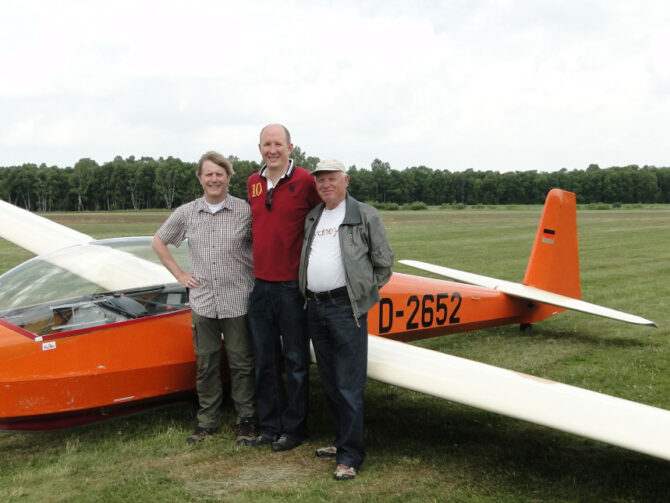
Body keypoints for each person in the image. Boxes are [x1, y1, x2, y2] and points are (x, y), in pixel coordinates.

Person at [152, 151, 257, 446]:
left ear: (228, 177)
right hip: (203, 301)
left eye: (219, 174)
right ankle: (207, 421)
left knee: (241, 362)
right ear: (200, 178)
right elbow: (158, 241)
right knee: (207, 362)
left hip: (238, 299)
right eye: (208, 174)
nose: (214, 179)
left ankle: (246, 420)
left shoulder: (244, 211)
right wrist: (180, 275)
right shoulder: (187, 212)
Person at [298, 159, 394, 480]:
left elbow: (384, 263)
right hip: (315, 306)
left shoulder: (365, 215)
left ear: (346, 180)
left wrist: (361, 296)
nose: (325, 184)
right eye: (320, 180)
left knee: (349, 383)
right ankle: (340, 442)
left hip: (345, 308)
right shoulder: (314, 216)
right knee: (329, 381)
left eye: (331, 179)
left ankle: (351, 455)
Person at [247, 124, 321, 451]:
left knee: (295, 360)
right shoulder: (253, 183)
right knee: (264, 359)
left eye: (278, 144)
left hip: (292, 287)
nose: (272, 149)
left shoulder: (306, 181)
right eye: (266, 144)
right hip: (260, 285)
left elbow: (327, 216)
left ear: (291, 147)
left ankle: (294, 429)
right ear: (260, 147)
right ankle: (269, 426)